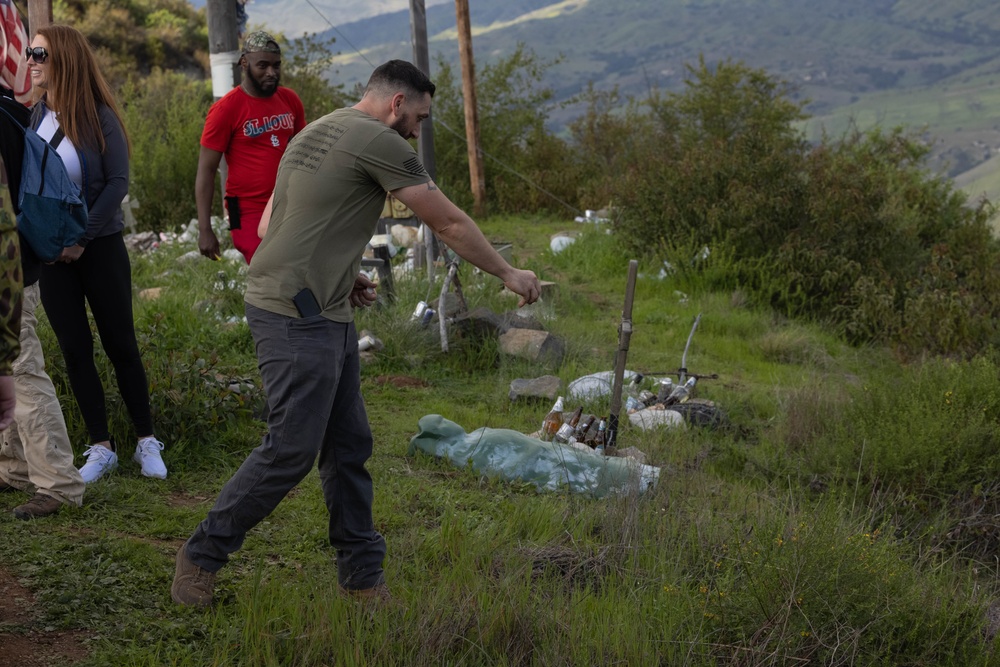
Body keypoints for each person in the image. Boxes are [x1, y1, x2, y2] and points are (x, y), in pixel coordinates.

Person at [171, 59, 541, 607]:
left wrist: (342, 275)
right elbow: (449, 223)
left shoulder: (316, 129)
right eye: (418, 116)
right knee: (291, 449)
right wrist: (509, 273)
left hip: (314, 305)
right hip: (296, 316)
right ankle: (201, 556)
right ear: (396, 104)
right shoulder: (383, 142)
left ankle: (362, 580)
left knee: (348, 447)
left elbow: (275, 224)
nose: (417, 130)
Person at [28, 25, 167, 483]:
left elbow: (116, 185)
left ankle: (146, 440)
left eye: (39, 53)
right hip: (51, 256)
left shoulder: (100, 116)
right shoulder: (35, 117)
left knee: (120, 344)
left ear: (63, 58)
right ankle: (100, 446)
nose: (31, 60)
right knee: (74, 349)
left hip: (100, 246)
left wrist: (81, 238)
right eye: (29, 52)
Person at [0, 81, 85, 519]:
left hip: (8, 270)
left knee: (22, 370)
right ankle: (14, 467)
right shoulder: (11, 112)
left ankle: (58, 483)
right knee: (11, 366)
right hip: (18, 265)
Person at [196, 30, 305, 263]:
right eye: (263, 65)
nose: (271, 73)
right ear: (244, 63)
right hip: (246, 210)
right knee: (269, 268)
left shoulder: (290, 100)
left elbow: (304, 151)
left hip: (288, 203)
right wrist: (204, 229)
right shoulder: (226, 109)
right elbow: (206, 170)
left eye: (276, 66)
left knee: (300, 268)